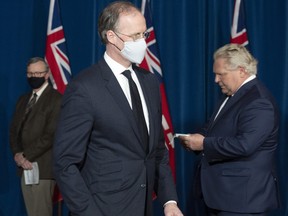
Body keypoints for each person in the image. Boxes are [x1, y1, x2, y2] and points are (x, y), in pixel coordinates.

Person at [53, 1, 183, 216]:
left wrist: (170, 201)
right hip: (103, 209)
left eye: (144, 35)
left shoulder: (149, 82)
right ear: (111, 37)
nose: (142, 42)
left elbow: (157, 151)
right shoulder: (84, 88)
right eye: (135, 36)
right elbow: (65, 163)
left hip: (144, 207)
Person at [179, 43, 280, 216]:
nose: (216, 80)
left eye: (221, 74)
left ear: (241, 71)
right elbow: (215, 128)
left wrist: (203, 144)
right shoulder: (232, 95)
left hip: (242, 201)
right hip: (223, 197)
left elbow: (245, 145)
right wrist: (198, 137)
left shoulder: (258, 101)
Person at [9, 57, 62, 216]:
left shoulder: (56, 99)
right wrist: (17, 155)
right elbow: (14, 132)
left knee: (40, 212)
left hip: (43, 168)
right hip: (24, 167)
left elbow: (51, 135)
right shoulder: (23, 100)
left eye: (38, 73)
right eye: (30, 73)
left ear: (47, 75)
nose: (34, 77)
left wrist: (26, 155)